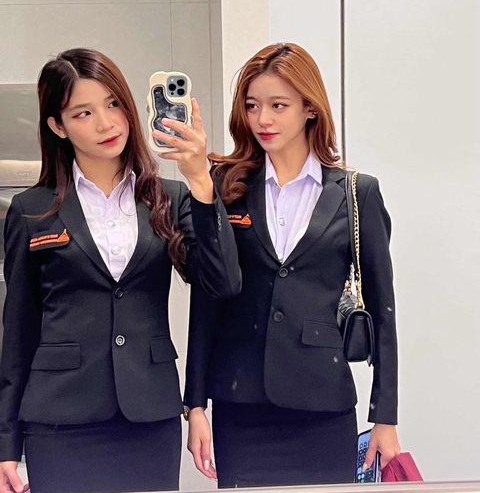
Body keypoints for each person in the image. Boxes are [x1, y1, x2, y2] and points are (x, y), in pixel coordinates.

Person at [0, 48, 241, 493]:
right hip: (60, 420)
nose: (106, 123)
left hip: (148, 416)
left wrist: (200, 181)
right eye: (83, 113)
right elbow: (18, 331)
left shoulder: (169, 198)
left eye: (113, 104)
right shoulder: (31, 210)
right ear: (58, 126)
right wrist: (6, 445)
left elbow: (222, 282)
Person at [184, 42, 400, 487]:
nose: (262, 119)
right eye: (252, 106)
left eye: (278, 106)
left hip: (322, 407)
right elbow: (207, 301)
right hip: (240, 407)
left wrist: (385, 416)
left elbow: (383, 311)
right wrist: (196, 404)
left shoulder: (356, 193)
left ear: (309, 108)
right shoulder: (224, 185)